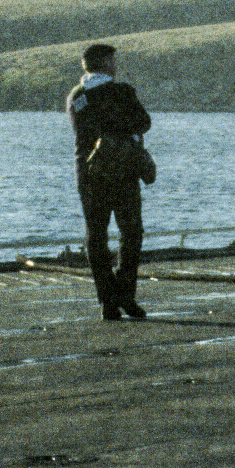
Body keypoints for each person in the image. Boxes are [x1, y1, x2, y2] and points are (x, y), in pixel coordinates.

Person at [66, 42, 151, 321]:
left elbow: (84, 131)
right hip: (123, 169)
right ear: (104, 63)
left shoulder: (75, 96)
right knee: (131, 232)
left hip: (88, 172)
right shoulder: (122, 91)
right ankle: (126, 293)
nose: (115, 65)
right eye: (112, 60)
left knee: (96, 235)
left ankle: (107, 299)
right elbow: (143, 122)